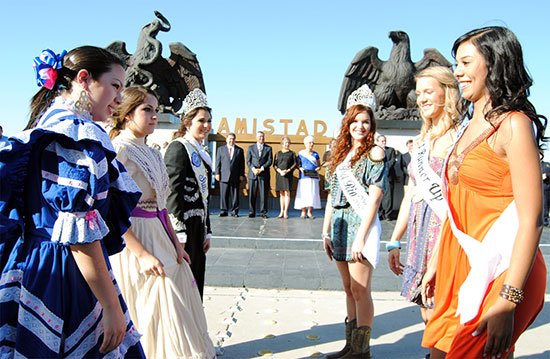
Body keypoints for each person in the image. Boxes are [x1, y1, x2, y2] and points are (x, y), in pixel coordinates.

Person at [0, 47, 145, 358]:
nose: (119, 98)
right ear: (84, 79)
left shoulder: (50, 124)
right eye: (115, 86)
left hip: (34, 263)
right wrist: (110, 305)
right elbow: (79, 234)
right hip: (64, 272)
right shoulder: (74, 134)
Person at [422, 27, 547, 359]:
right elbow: (458, 207)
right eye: (456, 63)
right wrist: (436, 262)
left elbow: (532, 218)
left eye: (465, 62)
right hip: (459, 265)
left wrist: (508, 300)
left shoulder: (513, 125)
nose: (457, 72)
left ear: (493, 63)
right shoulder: (466, 124)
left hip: (502, 271)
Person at [109, 86, 215, 358]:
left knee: (174, 307)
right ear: (127, 113)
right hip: (135, 239)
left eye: (156, 110)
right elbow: (114, 213)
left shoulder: (154, 152)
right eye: (147, 110)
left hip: (161, 234)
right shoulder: (118, 150)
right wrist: (142, 254)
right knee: (150, 307)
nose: (154, 116)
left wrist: (177, 245)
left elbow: (162, 207)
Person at [386, 67, 461, 339]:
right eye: (418, 93)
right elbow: (411, 193)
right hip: (419, 234)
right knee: (425, 310)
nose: (421, 99)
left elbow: (455, 206)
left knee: (443, 312)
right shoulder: (421, 141)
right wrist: (395, 240)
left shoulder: (459, 139)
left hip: (443, 235)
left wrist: (436, 261)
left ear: (447, 92)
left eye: (428, 91)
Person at [322, 84, 387, 359]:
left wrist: (361, 236)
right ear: (347, 123)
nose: (360, 126)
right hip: (338, 226)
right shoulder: (341, 154)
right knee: (348, 289)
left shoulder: (375, 153)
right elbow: (330, 196)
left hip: (359, 225)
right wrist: (324, 231)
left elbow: (374, 199)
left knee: (361, 290)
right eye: (355, 121)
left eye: (365, 121)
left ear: (371, 124)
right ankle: (350, 345)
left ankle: (362, 351)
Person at [164, 88, 212, 299]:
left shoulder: (201, 152)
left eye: (209, 121)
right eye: (201, 121)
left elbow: (205, 197)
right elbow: (172, 193)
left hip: (197, 228)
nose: (207, 126)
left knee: (196, 282)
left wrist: (207, 230)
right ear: (187, 122)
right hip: (183, 229)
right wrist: (178, 234)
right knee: (184, 284)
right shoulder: (178, 148)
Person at [215, 132, 245, 217]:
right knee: (224, 195)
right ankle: (223, 210)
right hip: (223, 176)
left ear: (235, 140)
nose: (231, 140)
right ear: (226, 139)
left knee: (235, 195)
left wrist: (241, 174)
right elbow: (218, 162)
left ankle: (234, 211)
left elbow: (241, 164)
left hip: (235, 176)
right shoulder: (221, 149)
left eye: (233, 139)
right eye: (230, 138)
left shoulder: (239, 150)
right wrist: (217, 173)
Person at [247, 131, 273, 218]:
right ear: (256, 137)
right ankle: (252, 211)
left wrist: (261, 169)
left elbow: (270, 161)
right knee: (252, 194)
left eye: (262, 137)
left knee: (263, 194)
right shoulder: (251, 148)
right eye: (259, 137)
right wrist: (253, 169)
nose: (261, 138)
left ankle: (263, 212)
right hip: (253, 174)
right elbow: (248, 161)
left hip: (263, 174)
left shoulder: (268, 148)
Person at [295, 135, 322, 218]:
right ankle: (303, 212)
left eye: (312, 143)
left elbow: (319, 165)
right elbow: (297, 165)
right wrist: (301, 169)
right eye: (310, 143)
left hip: (313, 178)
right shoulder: (301, 153)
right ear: (305, 143)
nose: (311, 144)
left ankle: (309, 212)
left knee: (312, 194)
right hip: (304, 178)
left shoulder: (316, 154)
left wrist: (318, 168)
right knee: (303, 194)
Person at [273, 136, 297, 218]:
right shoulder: (277, 153)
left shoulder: (292, 153)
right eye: (285, 143)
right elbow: (274, 165)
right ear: (282, 144)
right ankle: (281, 211)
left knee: (287, 192)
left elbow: (295, 164)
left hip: (288, 175)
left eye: (288, 143)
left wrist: (287, 170)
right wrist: (279, 171)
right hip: (280, 175)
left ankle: (286, 212)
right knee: (281, 193)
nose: (287, 144)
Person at [376, 134, 397, 220]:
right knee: (378, 196)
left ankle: (388, 214)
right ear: (377, 142)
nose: (384, 142)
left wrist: (383, 168)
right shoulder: (374, 150)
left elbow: (392, 161)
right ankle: (379, 213)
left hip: (388, 176)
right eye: (382, 141)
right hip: (378, 178)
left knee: (388, 197)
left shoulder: (390, 150)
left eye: (385, 141)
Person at [541, 152, 550, 226]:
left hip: (546, 186)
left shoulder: (546, 164)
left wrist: (546, 175)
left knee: (546, 203)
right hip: (537, 187)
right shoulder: (533, 164)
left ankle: (545, 220)